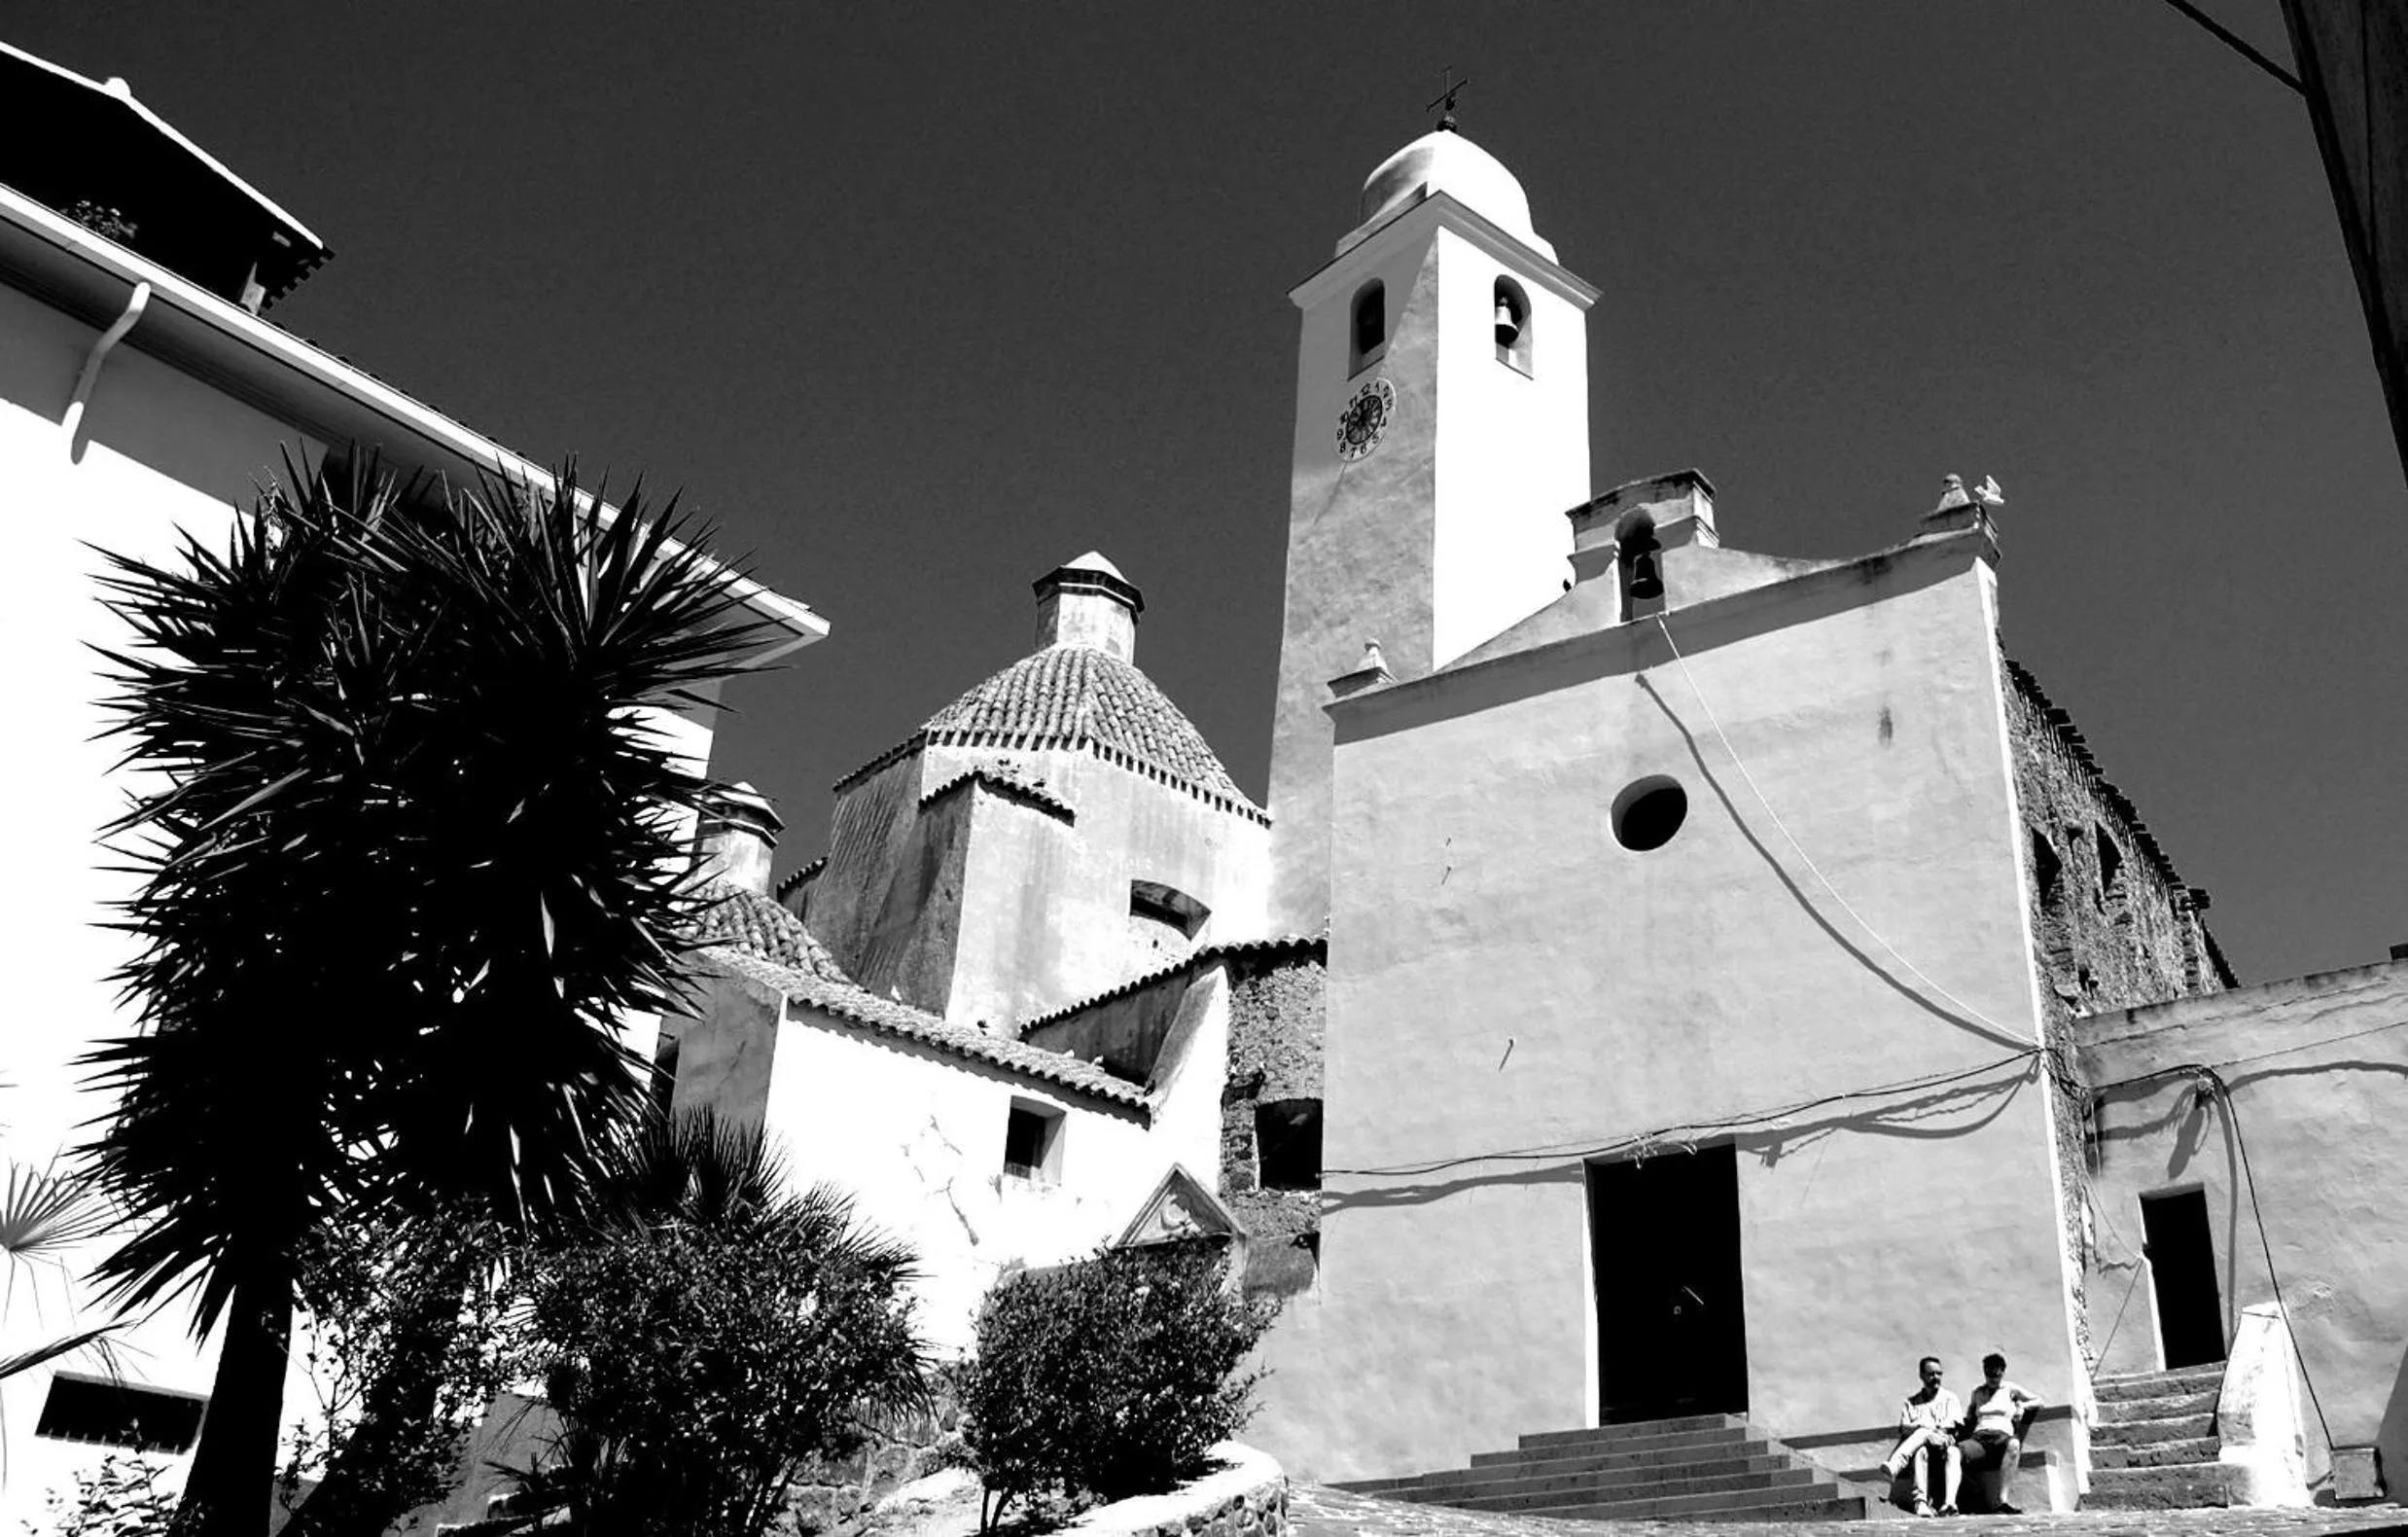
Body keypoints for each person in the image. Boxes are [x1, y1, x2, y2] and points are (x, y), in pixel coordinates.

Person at [1959, 1352, 2045, 1515]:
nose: (1992, 1379)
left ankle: (2002, 1501)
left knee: (2014, 1444)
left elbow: (2039, 1401)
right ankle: (1974, 1493)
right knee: (1953, 1453)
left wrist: (2022, 1407)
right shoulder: (1977, 1392)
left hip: (2002, 1437)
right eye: (1988, 1374)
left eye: (1996, 1375)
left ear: (2002, 1372)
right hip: (1979, 1437)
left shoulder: (2010, 1388)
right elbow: (1971, 1412)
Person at [1883, 1355, 1964, 1517]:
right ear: (1921, 1376)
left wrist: (1928, 1432)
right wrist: (1925, 1432)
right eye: (1931, 1374)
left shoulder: (1950, 1398)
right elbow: (1904, 1428)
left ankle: (1949, 1503)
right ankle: (1920, 1503)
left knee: (1952, 1452)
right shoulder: (1911, 1402)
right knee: (1921, 1448)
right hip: (1920, 1448)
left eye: (1939, 1373)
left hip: (1943, 1444)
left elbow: (1949, 1427)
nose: (1936, 1378)